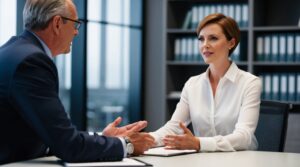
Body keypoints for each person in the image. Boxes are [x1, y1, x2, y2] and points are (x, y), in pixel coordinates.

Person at [0, 0, 154, 164]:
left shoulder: (14, 51)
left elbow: (52, 134)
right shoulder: (31, 62)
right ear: (57, 23)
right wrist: (126, 144)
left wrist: (104, 138)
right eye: (75, 24)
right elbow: (68, 146)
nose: (76, 32)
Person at [148, 13, 262, 152]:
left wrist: (198, 143)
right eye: (201, 39)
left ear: (231, 43)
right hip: (203, 160)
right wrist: (145, 140)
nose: (205, 45)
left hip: (241, 161)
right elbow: (173, 128)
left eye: (213, 38)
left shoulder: (250, 83)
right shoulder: (192, 84)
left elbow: (244, 137)